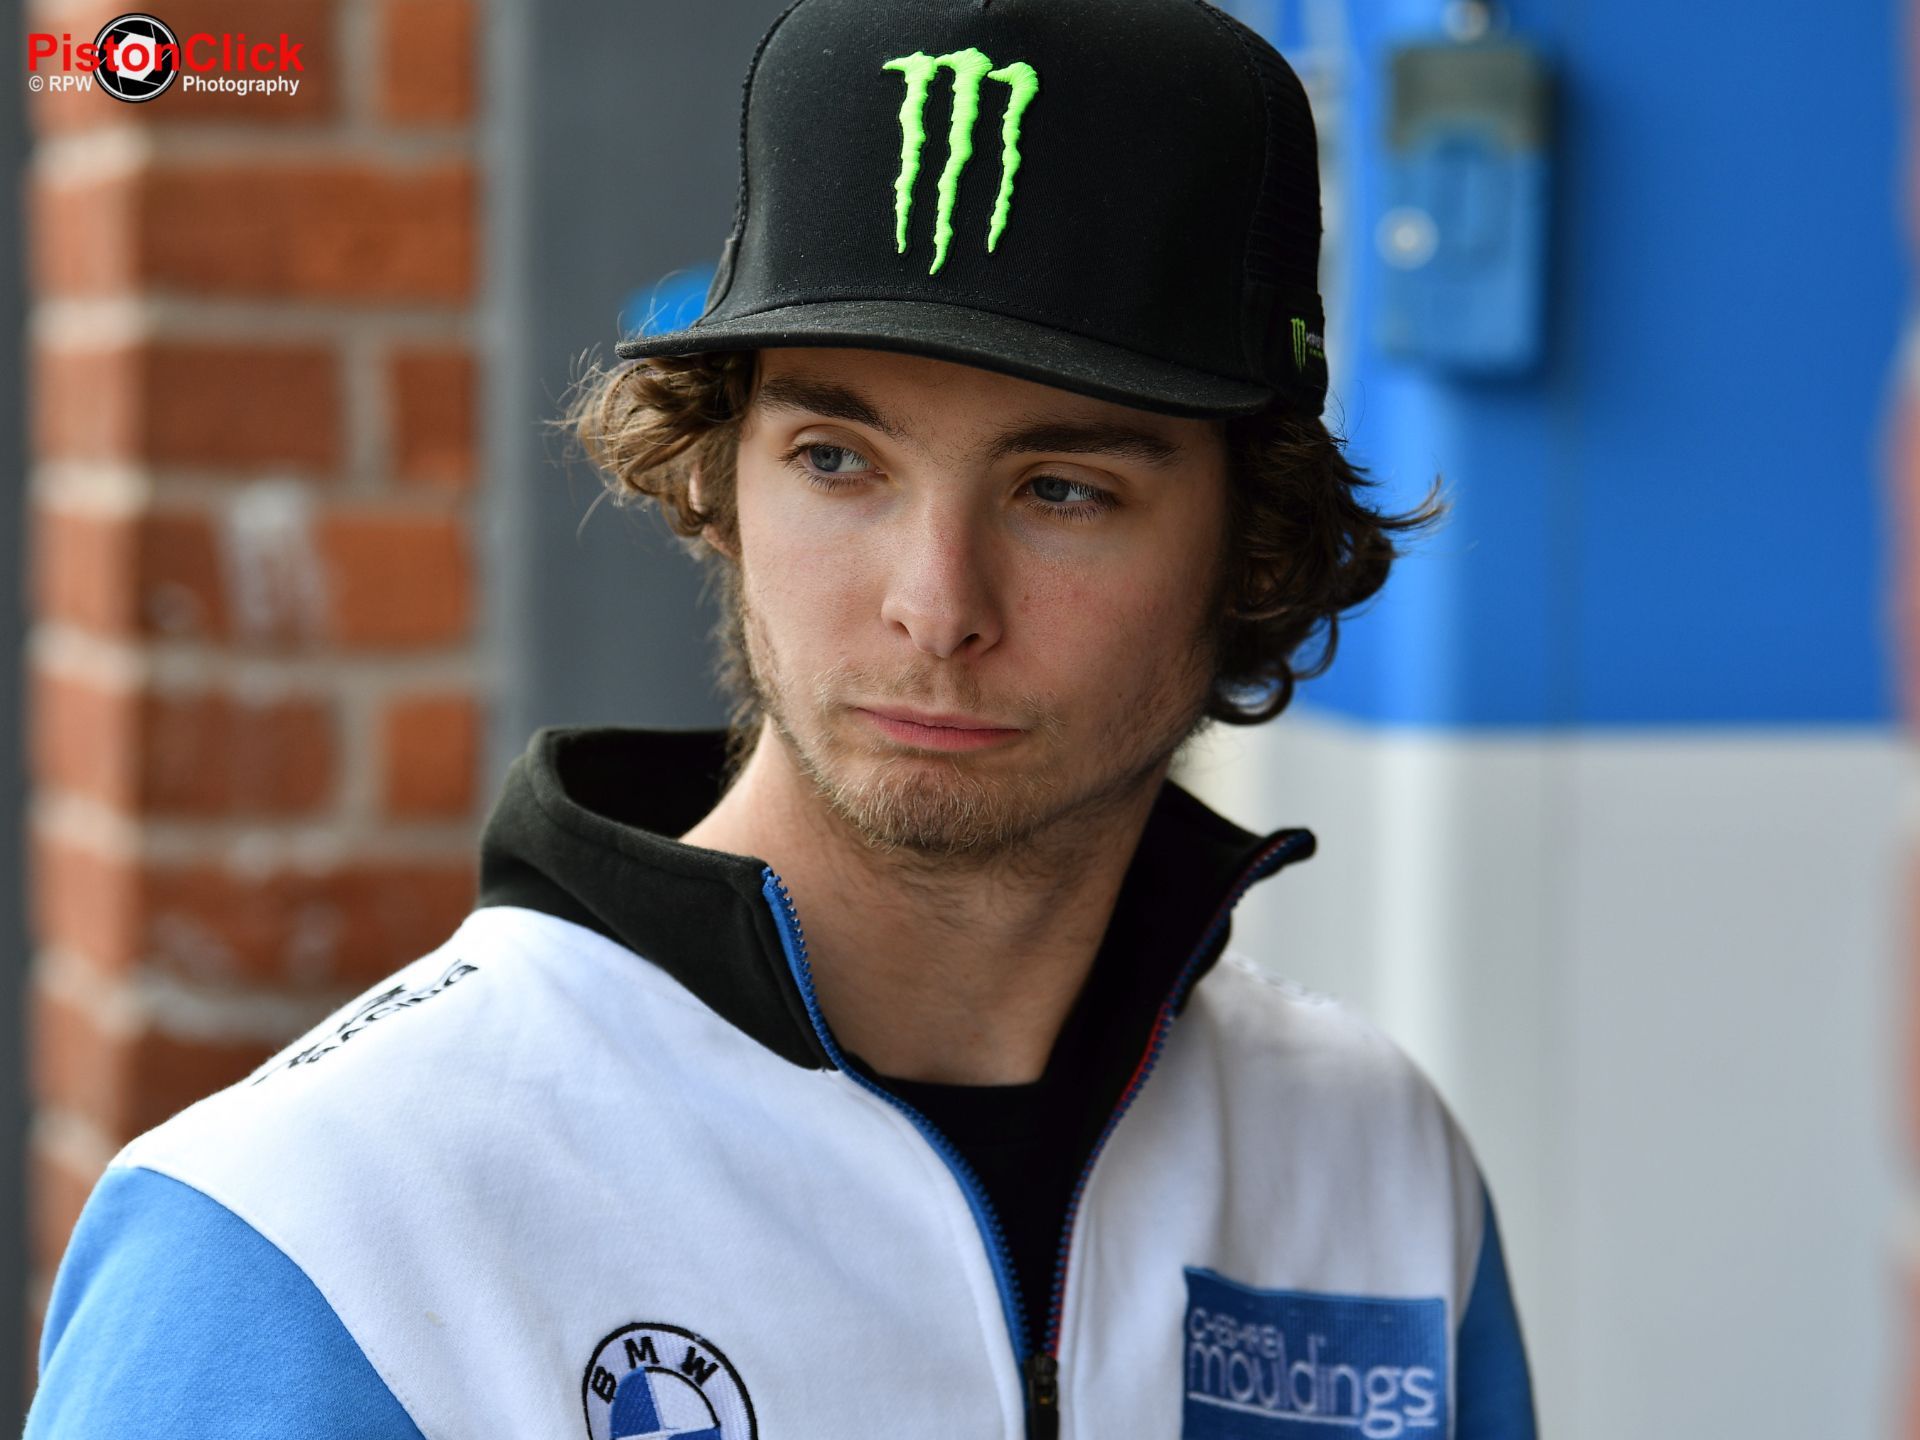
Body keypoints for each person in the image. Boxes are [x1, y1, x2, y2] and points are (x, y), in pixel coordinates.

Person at [26, 1, 1539, 1436]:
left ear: (1253, 546)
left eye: (1064, 489)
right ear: (720, 482)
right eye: (837, 459)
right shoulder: (320, 1229)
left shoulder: (1373, 1171)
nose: (934, 603)